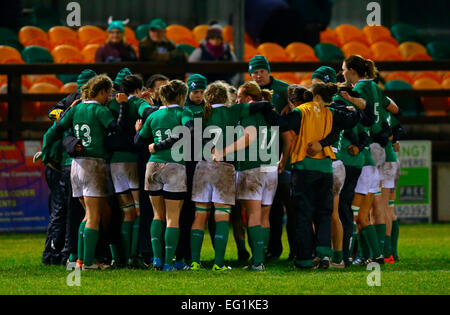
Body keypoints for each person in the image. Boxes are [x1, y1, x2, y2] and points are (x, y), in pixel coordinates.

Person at [44, 75, 129, 270]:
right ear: (101, 92)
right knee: (93, 216)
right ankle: (88, 263)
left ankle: (81, 260)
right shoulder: (99, 110)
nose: (109, 97)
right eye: (108, 93)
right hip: (94, 164)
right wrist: (122, 106)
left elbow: (56, 130)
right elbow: (117, 128)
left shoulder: (76, 108)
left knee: (87, 214)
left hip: (75, 166)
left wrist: (47, 150)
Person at [189, 81, 273, 272]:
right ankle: (218, 263)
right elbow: (264, 106)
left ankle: (194, 262)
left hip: (202, 166)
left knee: (200, 216)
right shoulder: (234, 111)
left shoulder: (199, 113)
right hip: (224, 167)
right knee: (221, 217)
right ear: (226, 97)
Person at [215, 81, 292, 270]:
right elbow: (289, 137)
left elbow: (249, 138)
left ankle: (257, 261)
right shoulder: (269, 114)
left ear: (249, 98)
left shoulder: (248, 113)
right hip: (270, 169)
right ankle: (261, 256)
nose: (237, 100)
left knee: (253, 216)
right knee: (264, 216)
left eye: (240, 96)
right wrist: (282, 161)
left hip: (251, 168)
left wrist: (223, 152)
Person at [341, 55, 399, 265]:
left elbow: (364, 105)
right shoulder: (375, 86)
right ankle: (382, 253)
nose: (342, 73)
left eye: (344, 69)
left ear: (352, 71)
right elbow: (394, 108)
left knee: (365, 210)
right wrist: (386, 126)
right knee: (381, 207)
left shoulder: (362, 88)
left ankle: (364, 254)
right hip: (382, 151)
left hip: (371, 151)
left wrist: (350, 99)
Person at [134, 79, 194, 271]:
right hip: (174, 166)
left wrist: (140, 133)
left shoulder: (154, 115)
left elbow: (138, 140)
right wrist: (161, 145)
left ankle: (156, 260)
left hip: (152, 166)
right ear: (181, 96)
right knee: (172, 218)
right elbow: (188, 130)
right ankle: (168, 262)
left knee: (157, 215)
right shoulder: (184, 112)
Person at [40, 69, 97, 266]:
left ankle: (60, 254)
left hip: (67, 164)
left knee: (66, 212)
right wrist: (67, 111)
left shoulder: (79, 100)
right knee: (66, 212)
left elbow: (53, 123)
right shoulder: (75, 101)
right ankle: (59, 254)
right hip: (67, 164)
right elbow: (53, 116)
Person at [107, 74, 155, 268]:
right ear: (138, 89)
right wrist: (149, 102)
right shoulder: (138, 103)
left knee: (126, 212)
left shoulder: (111, 105)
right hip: (133, 160)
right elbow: (150, 113)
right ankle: (134, 256)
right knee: (138, 210)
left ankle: (121, 257)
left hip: (115, 161)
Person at [248, 55, 292, 260]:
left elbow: (304, 102)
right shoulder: (248, 90)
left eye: (261, 72)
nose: (258, 76)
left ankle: (296, 250)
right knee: (268, 207)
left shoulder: (285, 90)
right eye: (254, 73)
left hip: (282, 157)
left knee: (287, 206)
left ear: (268, 71)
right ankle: (270, 249)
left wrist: (292, 108)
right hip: (259, 157)